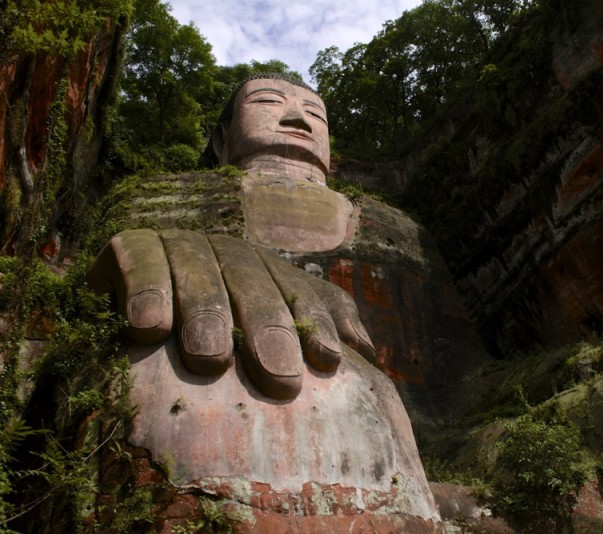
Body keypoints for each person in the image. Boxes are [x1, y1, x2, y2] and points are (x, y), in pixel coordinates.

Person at [87, 73, 440, 529]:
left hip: (405, 420)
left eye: (316, 114)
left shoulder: (399, 227)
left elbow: (460, 376)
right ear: (220, 139)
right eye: (269, 102)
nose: (297, 118)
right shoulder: (168, 196)